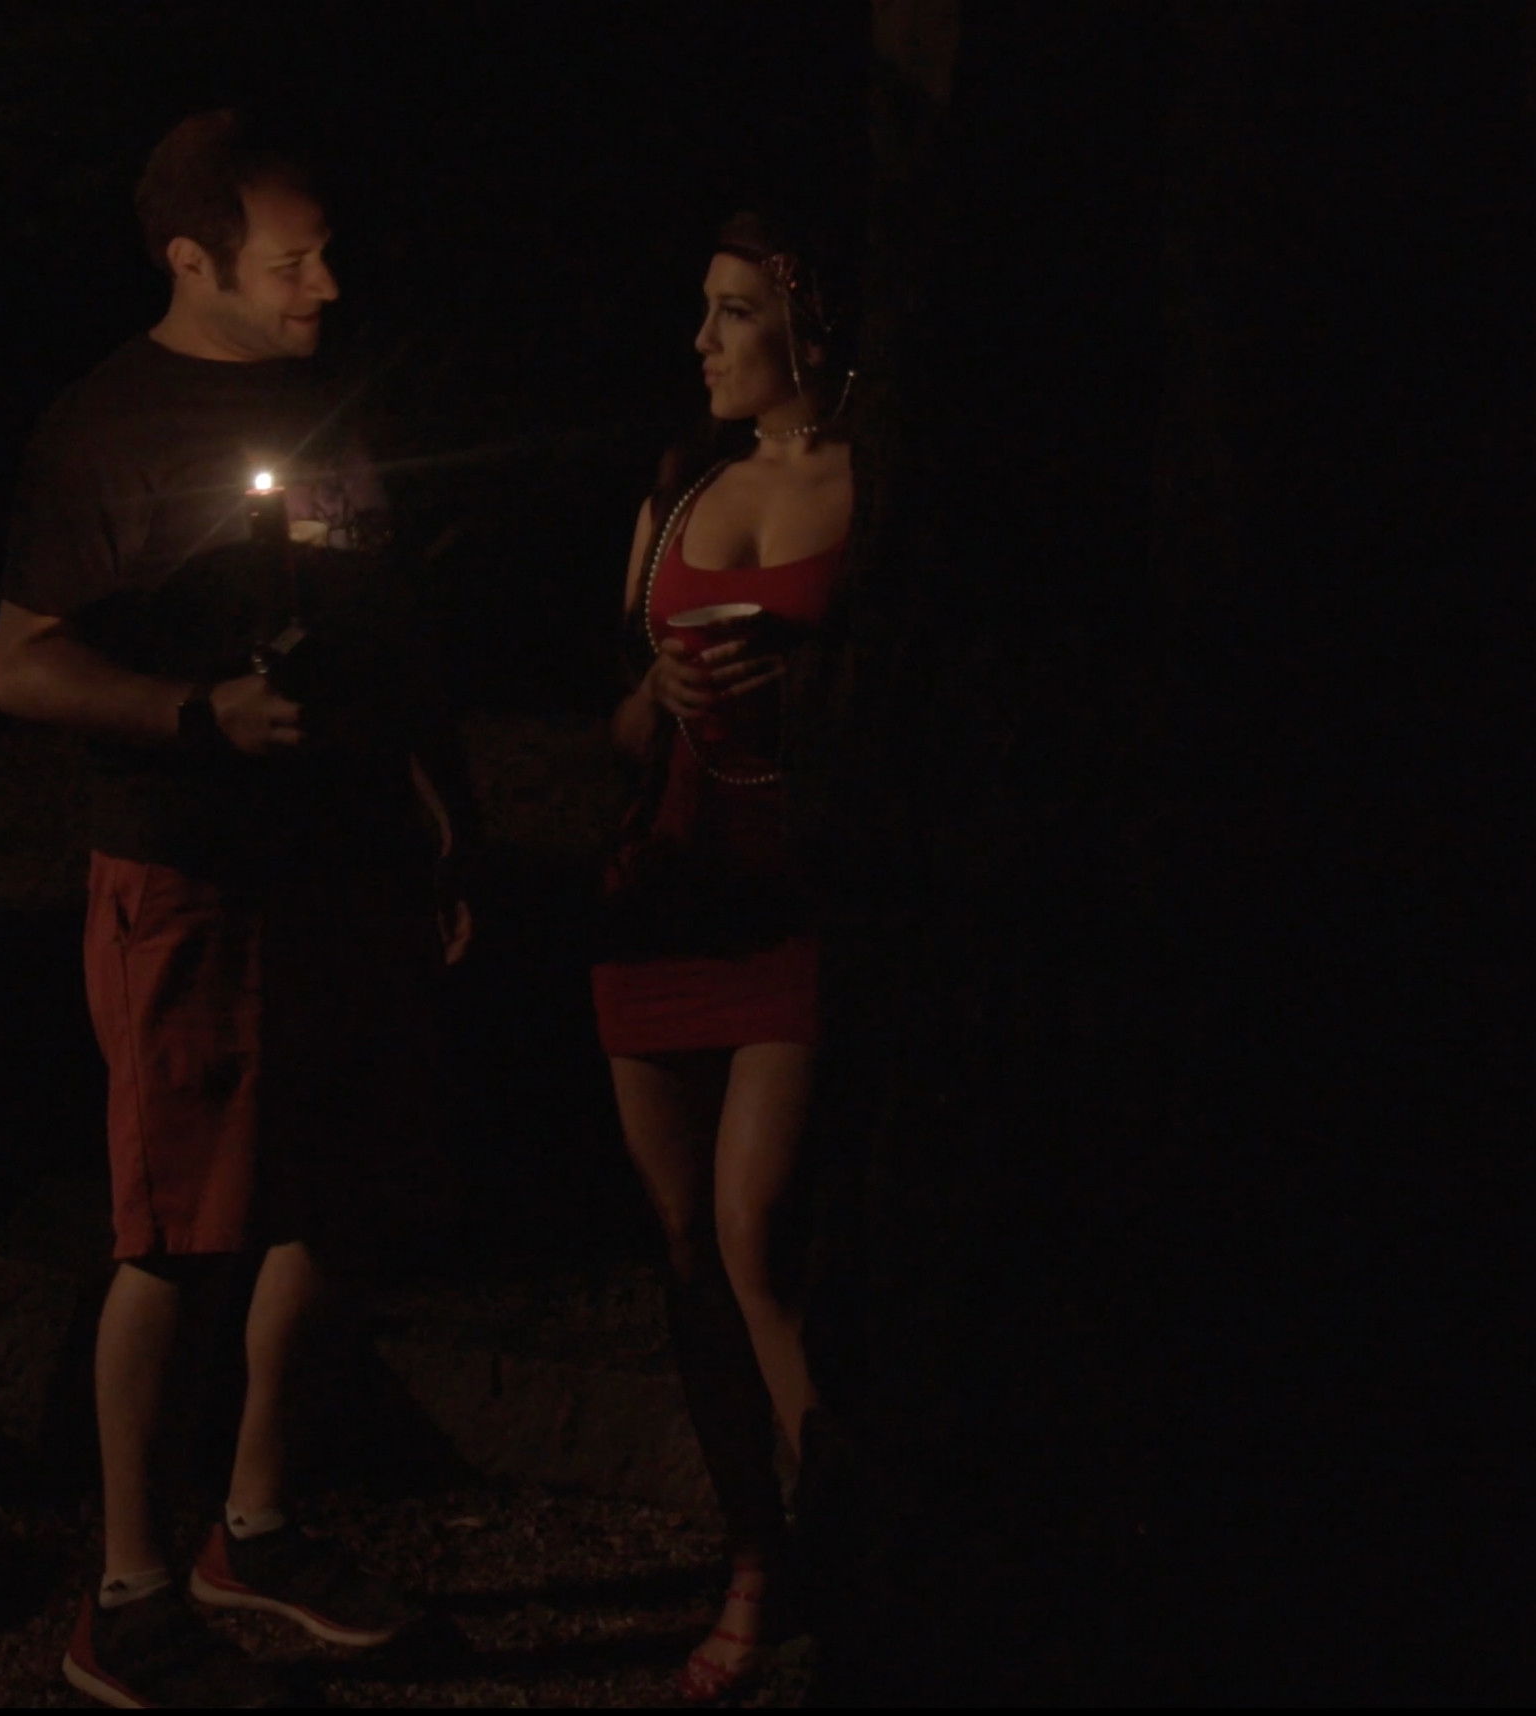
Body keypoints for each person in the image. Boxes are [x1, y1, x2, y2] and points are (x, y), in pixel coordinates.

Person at [0, 110, 473, 1709]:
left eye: (325, 253)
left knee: (342, 1203)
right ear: (192, 260)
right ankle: (127, 1598)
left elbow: (382, 616)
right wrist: (198, 713)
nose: (323, 285)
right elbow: (22, 664)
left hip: (349, 863)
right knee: (184, 1232)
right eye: (289, 262)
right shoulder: (106, 428)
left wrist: (437, 805)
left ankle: (252, 1532)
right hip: (193, 869)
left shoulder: (325, 401)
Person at [592, 210, 853, 1704]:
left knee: (758, 1231)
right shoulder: (681, 484)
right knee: (686, 1247)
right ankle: (754, 1555)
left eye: (734, 311)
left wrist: (806, 681)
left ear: (810, 328)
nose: (701, 340)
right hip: (663, 896)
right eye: (703, 307)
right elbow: (618, 721)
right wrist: (660, 697)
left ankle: (854, 1559)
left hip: (795, 895)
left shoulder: (875, 489)